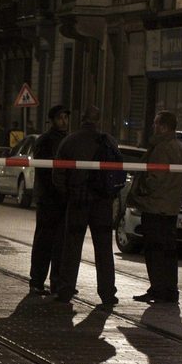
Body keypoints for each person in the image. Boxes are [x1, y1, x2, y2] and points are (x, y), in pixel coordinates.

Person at [51, 106, 118, 307]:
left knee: (72, 246)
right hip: (102, 202)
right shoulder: (109, 141)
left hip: (78, 199)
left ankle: (66, 289)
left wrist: (67, 192)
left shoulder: (70, 141)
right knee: (104, 249)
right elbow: (117, 172)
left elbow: (58, 173)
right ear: (99, 121)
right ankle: (107, 293)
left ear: (82, 119)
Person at [127, 110, 182, 304]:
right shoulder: (179, 147)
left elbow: (155, 178)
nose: (153, 127)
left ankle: (158, 289)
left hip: (155, 206)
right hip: (171, 207)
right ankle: (170, 290)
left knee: (154, 251)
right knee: (169, 251)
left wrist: (140, 191)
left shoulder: (161, 148)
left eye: (155, 123)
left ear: (163, 126)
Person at [28, 104, 70, 295]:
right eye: (60, 118)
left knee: (60, 244)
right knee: (44, 242)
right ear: (52, 120)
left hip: (61, 199)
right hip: (48, 199)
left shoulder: (68, 140)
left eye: (66, 118)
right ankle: (37, 281)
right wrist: (57, 188)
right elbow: (43, 170)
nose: (64, 121)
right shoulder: (45, 141)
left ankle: (56, 282)